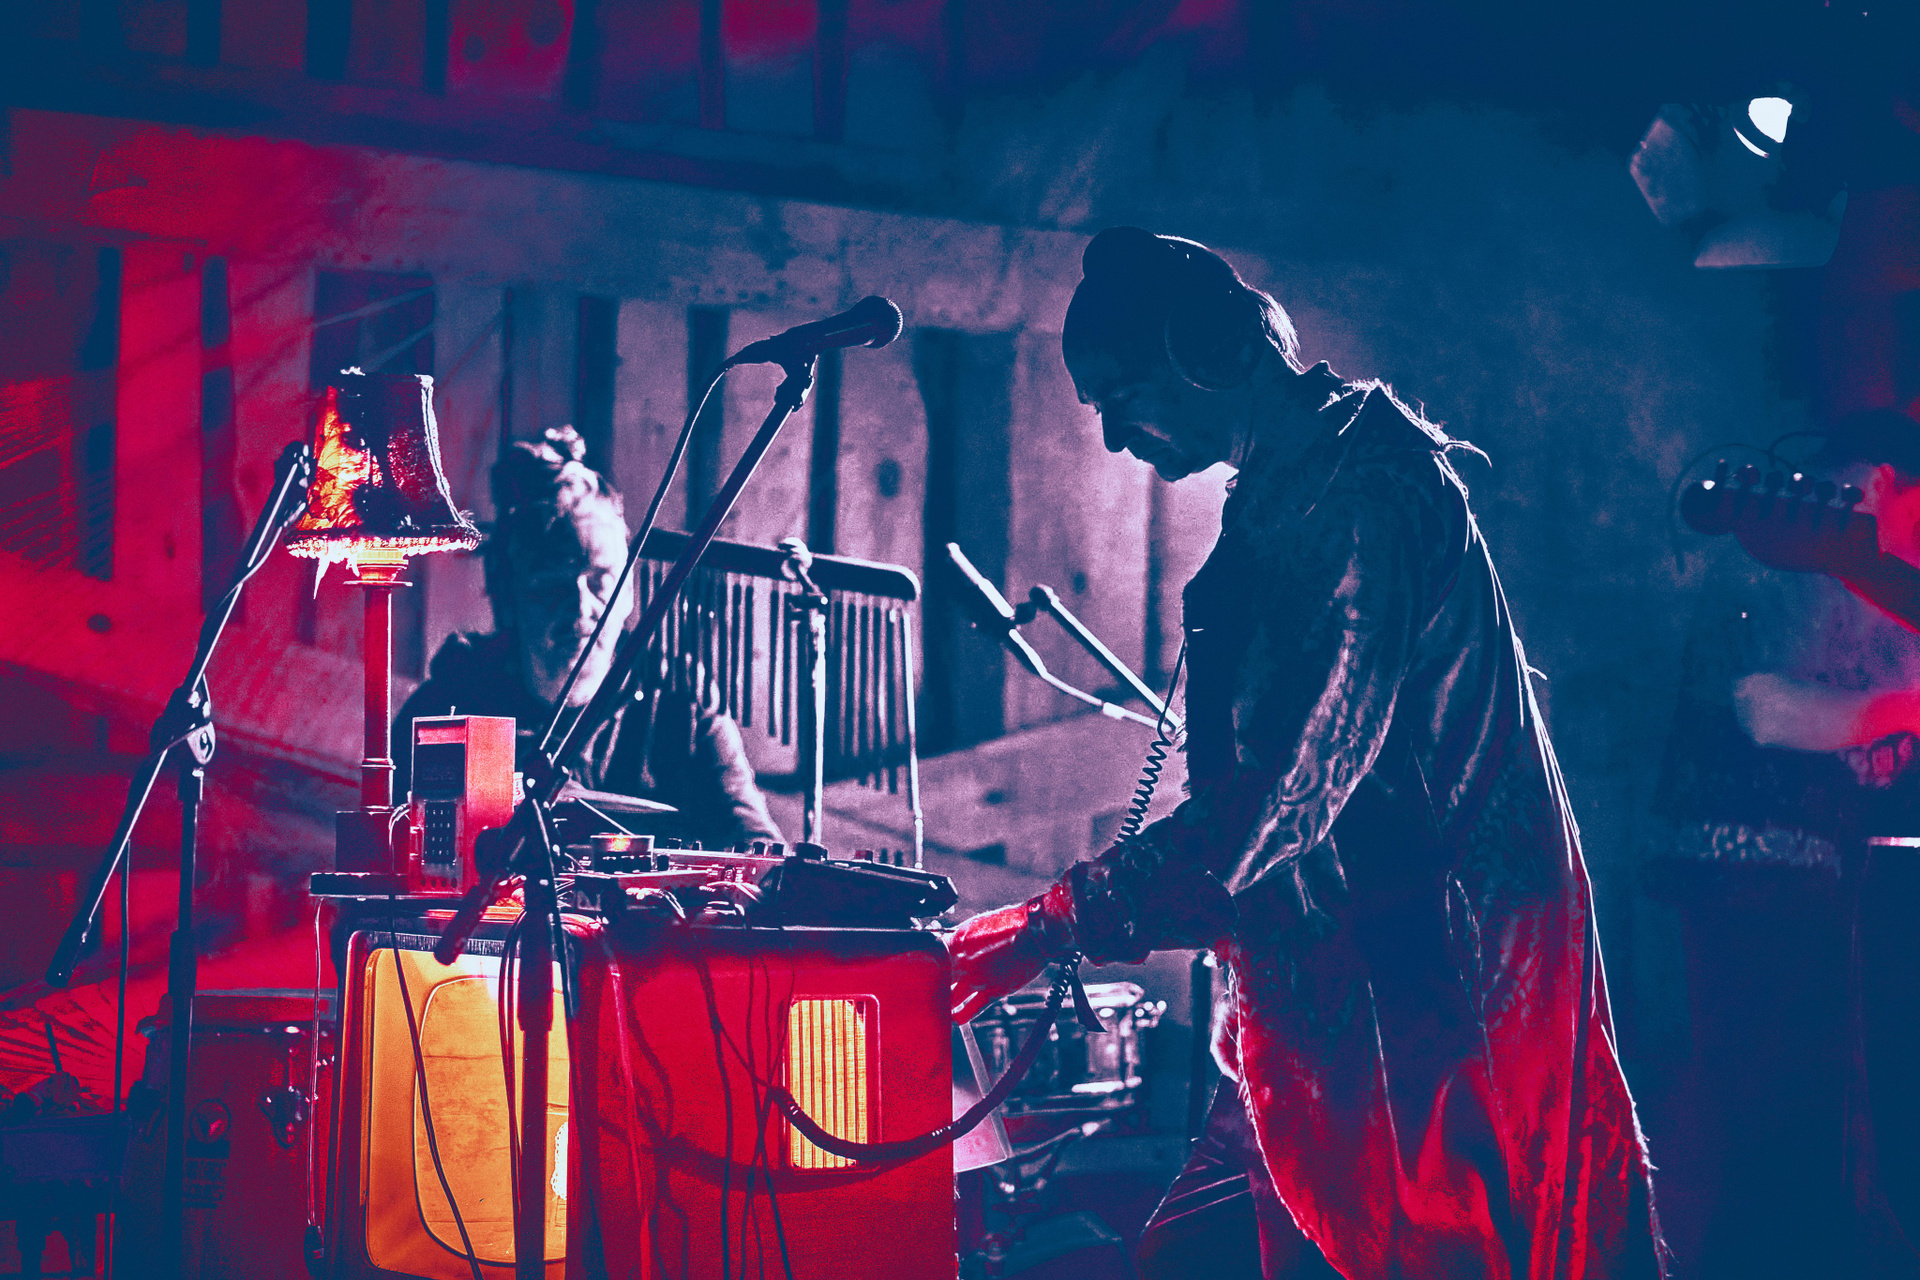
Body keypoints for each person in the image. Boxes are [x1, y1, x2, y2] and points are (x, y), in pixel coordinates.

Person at [946, 227, 1664, 1278]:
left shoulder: (1362, 500)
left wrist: (1051, 924)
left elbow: (1283, 799)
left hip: (1426, 999)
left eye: (1122, 396)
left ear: (1206, 351)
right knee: (1189, 1256)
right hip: (1330, 988)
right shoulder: (1297, 483)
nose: (1112, 436)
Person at [1649, 409, 1920, 1276]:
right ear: (1879, 482)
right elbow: (1766, 711)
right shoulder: (1788, 554)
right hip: (1751, 875)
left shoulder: (1860, 576)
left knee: (1807, 1133)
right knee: (1772, 1131)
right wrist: (1907, 707)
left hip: (1812, 884)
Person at [392, 426, 783, 852]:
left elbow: (758, 851)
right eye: (552, 586)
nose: (581, 608)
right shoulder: (449, 706)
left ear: (629, 591)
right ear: (509, 598)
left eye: (601, 581)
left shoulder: (679, 700)